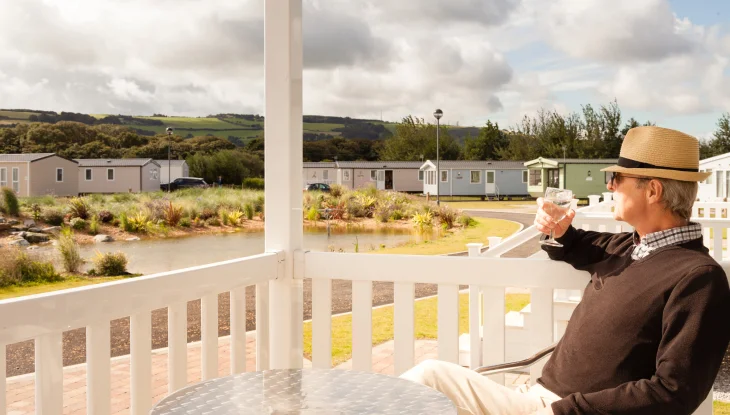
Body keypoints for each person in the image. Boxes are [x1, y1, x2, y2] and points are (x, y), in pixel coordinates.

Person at [400, 126, 730, 415]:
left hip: (566, 411)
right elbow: (569, 243)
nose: (611, 187)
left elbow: (674, 392)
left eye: (616, 178)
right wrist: (554, 227)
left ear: (653, 190)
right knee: (427, 378)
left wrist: (564, 411)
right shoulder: (625, 247)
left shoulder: (698, 277)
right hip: (532, 399)